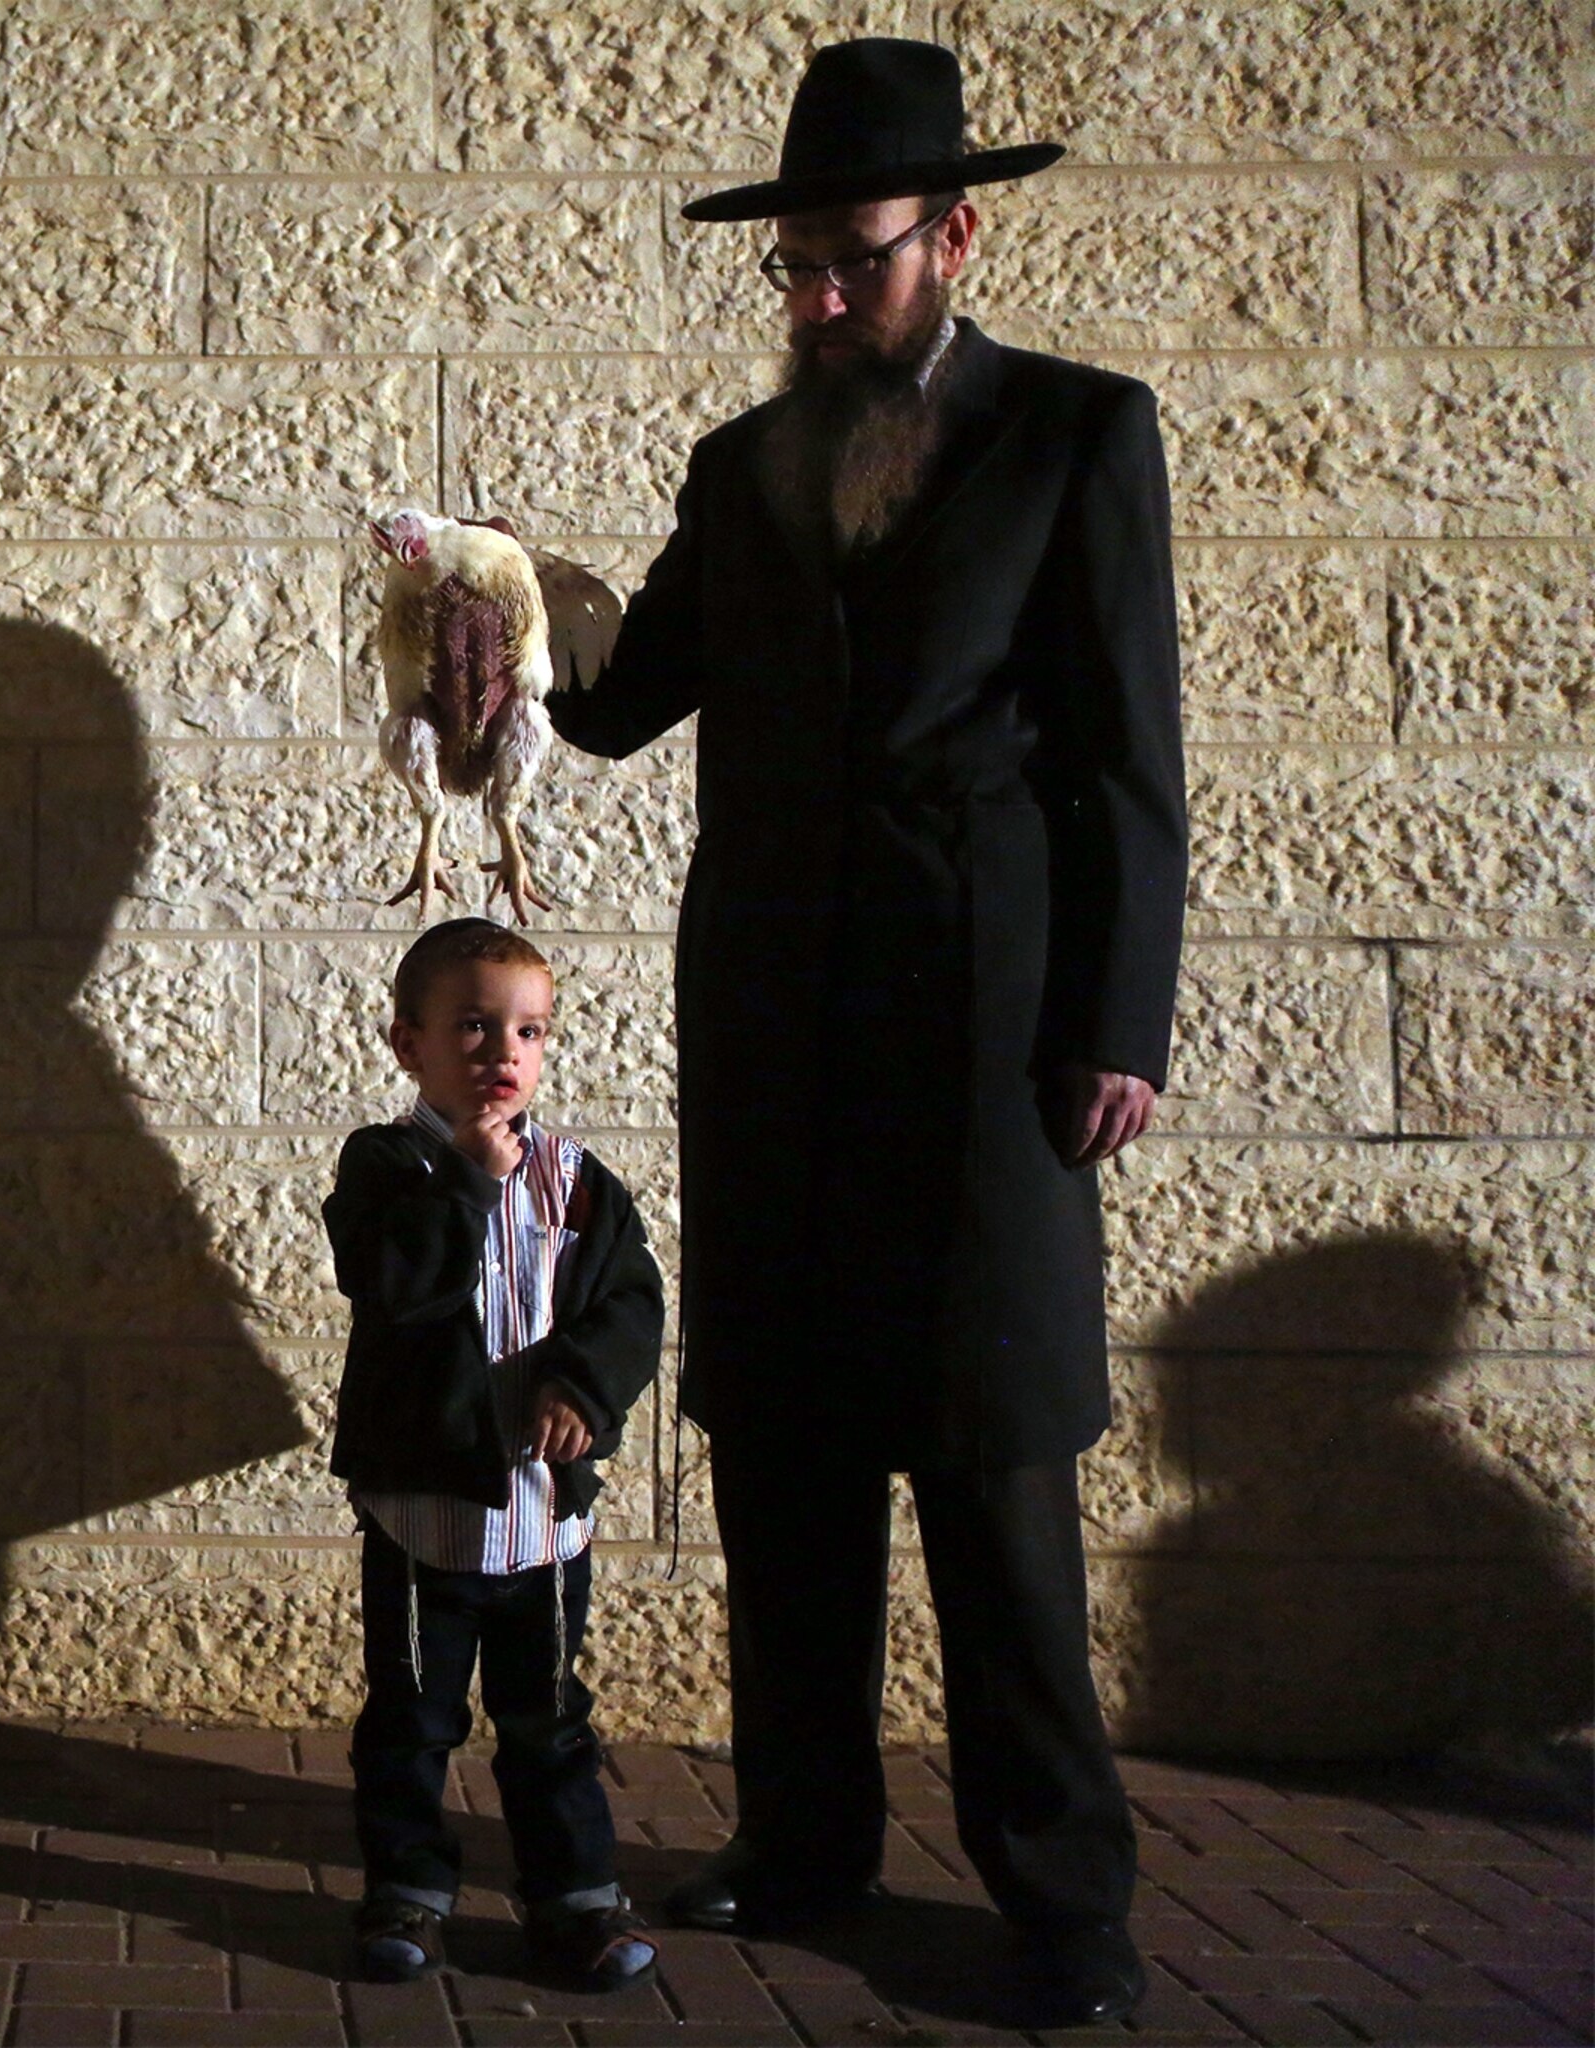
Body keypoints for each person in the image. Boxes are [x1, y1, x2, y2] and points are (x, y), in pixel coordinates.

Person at [522, 37, 1187, 2029]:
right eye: (793, 267)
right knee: (787, 1454)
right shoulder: (744, 470)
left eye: (853, 261)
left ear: (955, 233)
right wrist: (504, 605)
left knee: (990, 1463)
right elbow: (620, 703)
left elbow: (1132, 759)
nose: (816, 300)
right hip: (774, 1030)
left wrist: (1117, 1019)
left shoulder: (1080, 434)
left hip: (992, 1039)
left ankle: (1065, 1900)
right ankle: (804, 1836)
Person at [320, 918, 669, 1988]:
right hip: (426, 1518)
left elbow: (630, 1301)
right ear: (406, 1041)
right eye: (471, 1027)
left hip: (543, 1520)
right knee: (414, 1719)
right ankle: (410, 1893)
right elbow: (391, 1279)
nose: (501, 1053)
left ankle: (574, 1899)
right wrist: (466, 1183)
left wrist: (582, 1386)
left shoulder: (577, 1179)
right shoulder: (391, 1164)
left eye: (527, 1030)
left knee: (551, 1718)